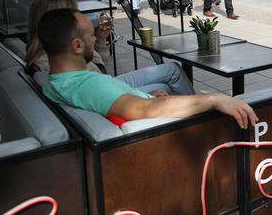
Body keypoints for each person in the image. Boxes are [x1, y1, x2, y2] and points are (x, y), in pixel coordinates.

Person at [38, 8, 257, 128]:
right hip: (165, 130)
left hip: (144, 108)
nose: (96, 36)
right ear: (77, 46)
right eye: (91, 34)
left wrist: (141, 94)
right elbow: (144, 110)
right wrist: (214, 99)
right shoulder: (89, 85)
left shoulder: (54, 82)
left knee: (166, 81)